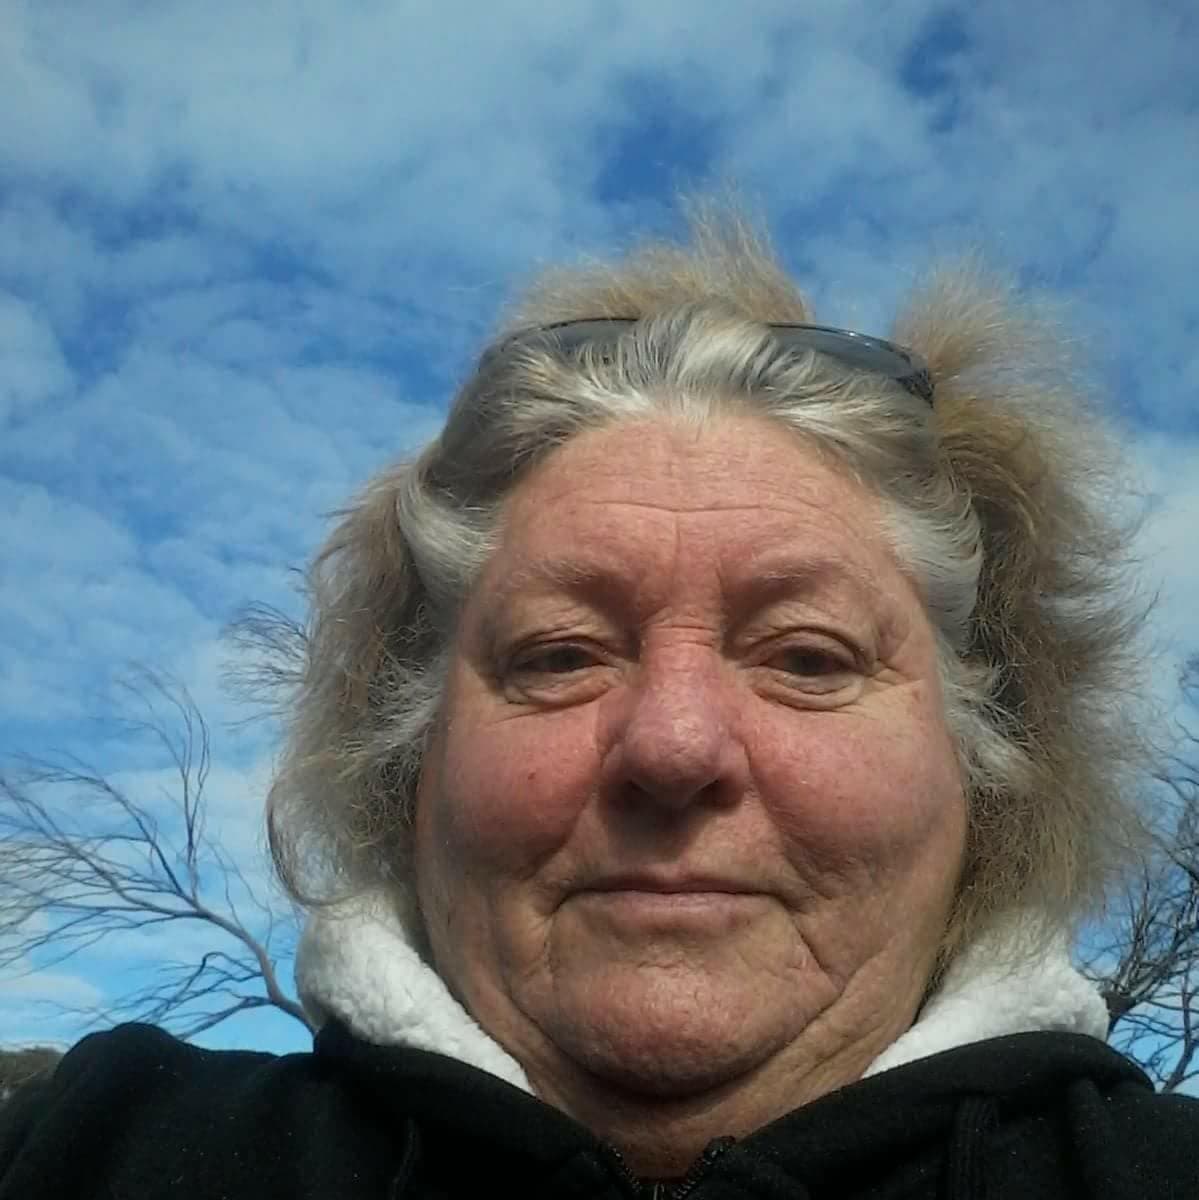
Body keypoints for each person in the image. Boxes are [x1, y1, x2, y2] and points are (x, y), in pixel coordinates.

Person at [2, 212, 1196, 1199]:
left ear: (983, 775)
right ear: (408, 770)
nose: (670, 745)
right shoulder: (91, 1153)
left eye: (806, 658)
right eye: (559, 655)